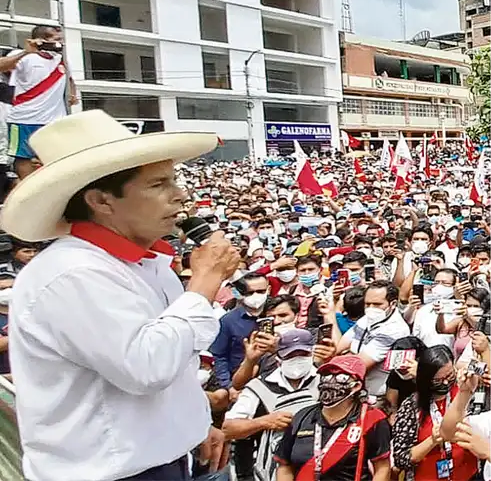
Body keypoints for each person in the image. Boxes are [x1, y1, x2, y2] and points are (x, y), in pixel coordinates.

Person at [1, 110, 237, 481]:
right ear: (101, 201)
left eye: (174, 180)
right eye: (158, 184)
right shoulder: (72, 274)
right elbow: (146, 367)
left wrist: (193, 425)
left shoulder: (148, 265)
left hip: (163, 462)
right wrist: (205, 282)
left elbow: (175, 360)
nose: (180, 195)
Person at [273, 354, 392, 481]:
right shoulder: (302, 417)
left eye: (341, 377)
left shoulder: (372, 419)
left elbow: (382, 468)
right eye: (327, 376)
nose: (331, 382)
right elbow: (284, 465)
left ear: (356, 386)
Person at [224, 328, 321, 481]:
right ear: (279, 359)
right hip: (267, 469)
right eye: (290, 355)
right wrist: (265, 422)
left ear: (312, 354)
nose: (297, 359)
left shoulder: (325, 382)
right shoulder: (259, 387)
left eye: (303, 354)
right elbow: (228, 429)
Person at [0, 25, 78, 179]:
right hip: (24, 119)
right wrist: (25, 52)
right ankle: (27, 187)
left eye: (61, 39)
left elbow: (69, 78)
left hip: (54, 120)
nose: (60, 43)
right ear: (41, 40)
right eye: (56, 39)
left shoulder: (60, 58)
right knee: (24, 159)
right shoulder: (25, 55)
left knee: (54, 158)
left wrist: (72, 93)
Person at [392, 345, 480, 481]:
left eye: (449, 375)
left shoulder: (464, 393)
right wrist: (432, 441)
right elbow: (400, 459)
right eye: (438, 380)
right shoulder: (411, 407)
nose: (445, 382)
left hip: (468, 475)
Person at [210, 273, 271, 389]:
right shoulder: (228, 321)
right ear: (238, 293)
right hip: (240, 383)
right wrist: (228, 387)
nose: (255, 296)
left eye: (260, 291)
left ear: (268, 290)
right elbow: (219, 356)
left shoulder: (278, 313)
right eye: (249, 292)